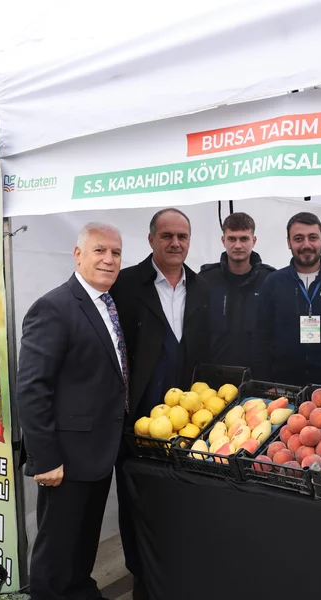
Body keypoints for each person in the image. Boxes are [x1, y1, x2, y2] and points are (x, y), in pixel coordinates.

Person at [17, 222, 127, 600]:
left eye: (115, 252)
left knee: (81, 550)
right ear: (78, 255)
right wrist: (45, 459)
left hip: (97, 452)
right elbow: (32, 388)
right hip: (64, 460)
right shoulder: (54, 307)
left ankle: (80, 591)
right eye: (99, 250)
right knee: (56, 557)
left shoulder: (108, 303)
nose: (109, 259)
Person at [110, 208, 209, 599]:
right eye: (167, 235)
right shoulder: (124, 285)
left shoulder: (201, 288)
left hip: (190, 425)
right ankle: (142, 580)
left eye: (182, 236)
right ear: (151, 239)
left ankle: (179, 579)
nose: (175, 243)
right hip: (138, 425)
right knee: (137, 507)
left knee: (182, 505)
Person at [253, 212, 321, 387]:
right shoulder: (273, 282)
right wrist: (266, 384)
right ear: (289, 243)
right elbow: (260, 338)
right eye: (298, 239)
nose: (306, 245)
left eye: (313, 238)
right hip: (282, 388)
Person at [199, 212, 275, 368]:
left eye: (244, 239)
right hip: (213, 376)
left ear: (254, 241)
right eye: (232, 239)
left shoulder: (270, 280)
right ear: (223, 240)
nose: (238, 245)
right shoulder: (205, 280)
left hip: (259, 377)